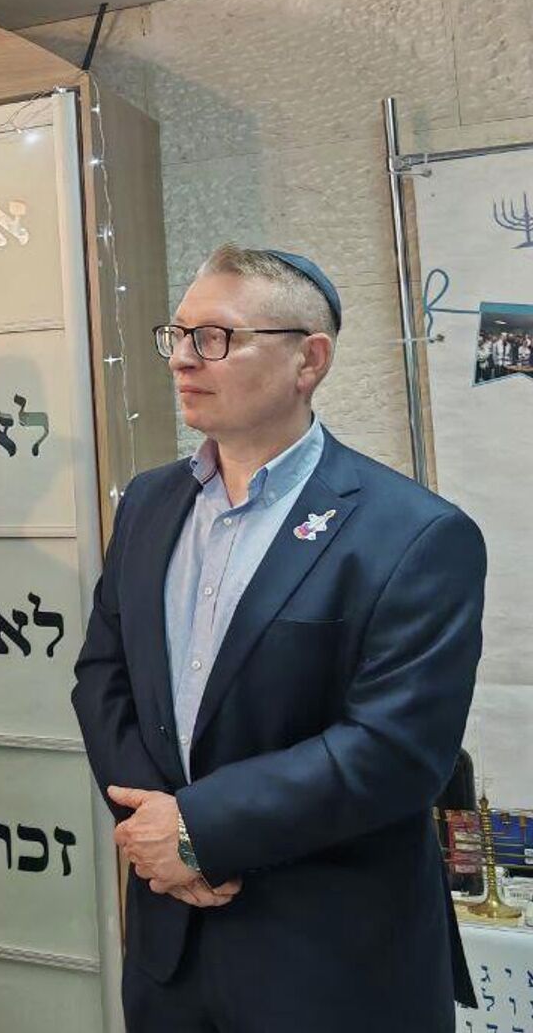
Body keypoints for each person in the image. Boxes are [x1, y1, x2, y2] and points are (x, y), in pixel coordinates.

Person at [71, 245, 486, 1031]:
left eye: (215, 337)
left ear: (308, 359)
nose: (183, 358)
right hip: (171, 948)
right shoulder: (151, 503)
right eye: (177, 334)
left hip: (330, 959)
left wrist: (201, 828)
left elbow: (395, 750)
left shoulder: (412, 534)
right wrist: (156, 827)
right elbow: (104, 674)